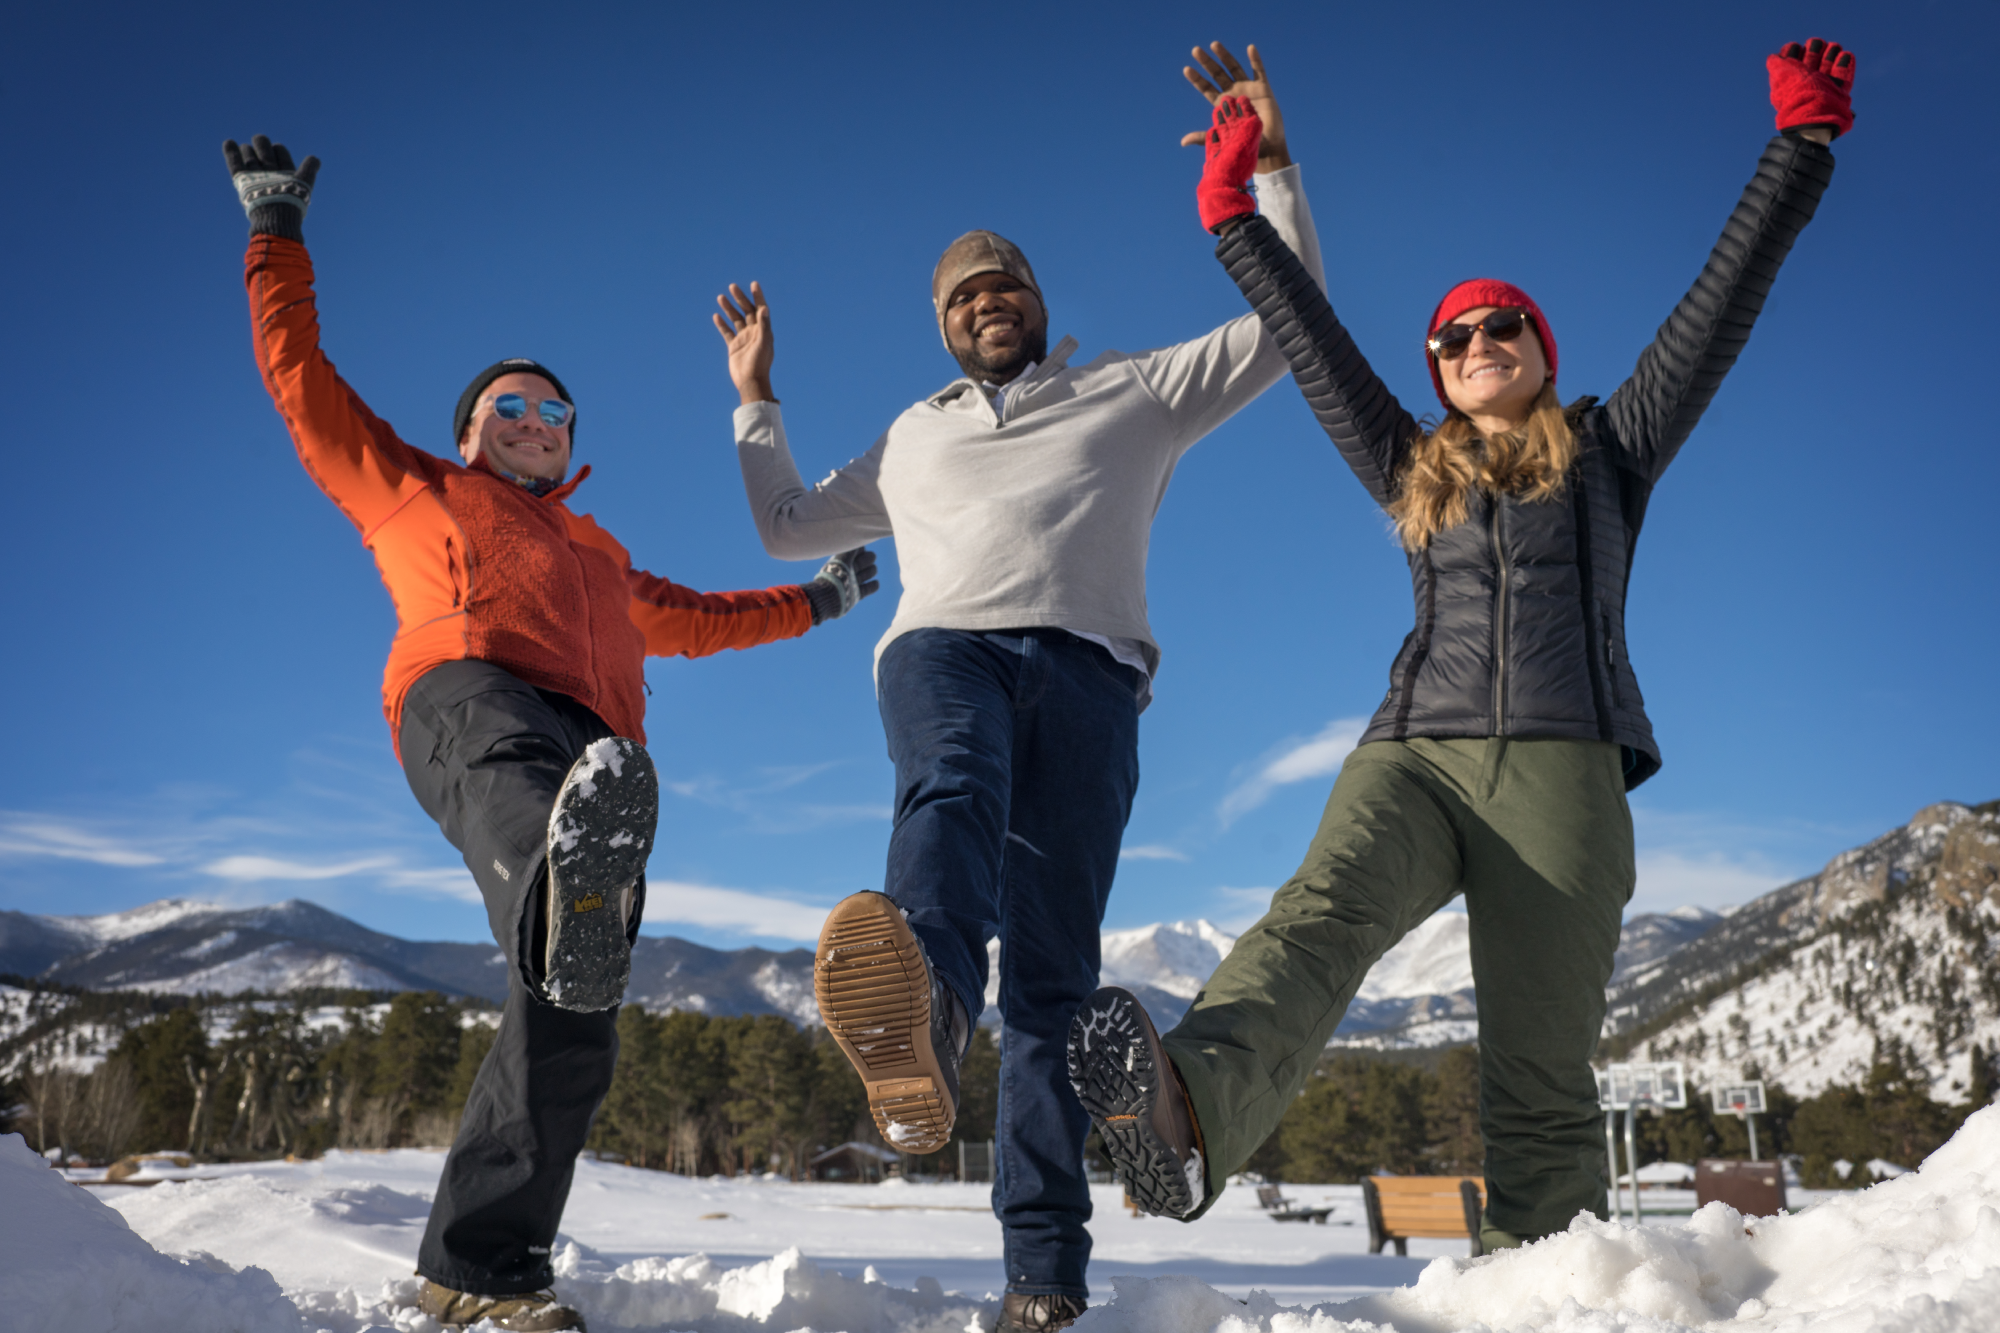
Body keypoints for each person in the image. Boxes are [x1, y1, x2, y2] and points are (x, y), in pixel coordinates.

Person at [1069, 38, 1853, 1249]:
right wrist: (1233, 211)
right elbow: (1314, 341)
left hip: (1562, 772)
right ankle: (1185, 1118)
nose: (1478, 339)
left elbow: (1716, 306)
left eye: (1503, 327)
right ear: (1434, 374)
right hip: (1417, 755)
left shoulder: (1610, 450)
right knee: (1315, 917)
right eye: (1452, 337)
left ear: (1542, 352)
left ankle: (1534, 1293)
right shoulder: (1409, 467)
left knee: (1537, 1078)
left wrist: (1797, 145)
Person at [709, 43, 1322, 1331]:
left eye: (1006, 285)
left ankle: (1042, 1281)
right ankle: (924, 1010)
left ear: (1039, 300)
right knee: (950, 784)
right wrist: (754, 398)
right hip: (949, 652)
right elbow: (781, 528)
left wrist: (1267, 162)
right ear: (940, 325)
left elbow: (1289, 320)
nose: (987, 301)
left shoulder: (1133, 387)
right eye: (963, 295)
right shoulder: (912, 432)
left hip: (1094, 679)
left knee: (1050, 988)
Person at [221, 136, 878, 1332]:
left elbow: (703, 619)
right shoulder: (413, 485)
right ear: (470, 431)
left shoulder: (603, 556)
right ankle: (560, 869)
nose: (531, 420)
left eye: (551, 410)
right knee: (537, 813)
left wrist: (819, 601)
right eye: (506, 407)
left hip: (600, 755)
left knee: (572, 1013)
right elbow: (300, 378)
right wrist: (276, 235)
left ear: (570, 441)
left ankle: (481, 1267)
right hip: (469, 701)